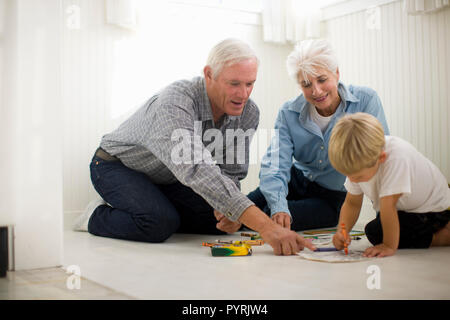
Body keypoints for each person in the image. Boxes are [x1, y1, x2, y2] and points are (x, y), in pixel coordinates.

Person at [73, 38, 315, 256]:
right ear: (209, 74)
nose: (243, 94)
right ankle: (94, 217)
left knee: (217, 224)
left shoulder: (248, 113)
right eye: (234, 84)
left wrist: (228, 213)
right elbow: (196, 168)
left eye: (249, 84)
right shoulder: (176, 101)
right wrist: (266, 227)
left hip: (168, 179)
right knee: (158, 223)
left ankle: (158, 207)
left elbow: (230, 172)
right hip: (116, 166)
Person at [247, 39, 390, 231]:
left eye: (322, 80)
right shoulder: (289, 112)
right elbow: (275, 164)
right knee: (239, 209)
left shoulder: (365, 101)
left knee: (264, 216)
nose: (316, 91)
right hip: (294, 181)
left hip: (331, 197)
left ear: (336, 73)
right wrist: (279, 206)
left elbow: (379, 157)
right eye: (306, 84)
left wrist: (385, 216)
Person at [329, 113, 450, 257]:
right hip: (407, 209)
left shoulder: (397, 157)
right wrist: (342, 231)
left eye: (358, 176)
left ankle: (444, 236)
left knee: (378, 232)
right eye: (348, 175)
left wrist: (389, 245)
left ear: (381, 158)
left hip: (435, 210)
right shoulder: (359, 162)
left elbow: (388, 205)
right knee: (376, 228)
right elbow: (352, 203)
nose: (353, 180)